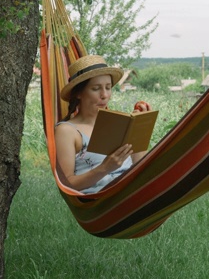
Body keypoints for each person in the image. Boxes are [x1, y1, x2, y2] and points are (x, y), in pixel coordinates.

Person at [55, 55, 152, 194]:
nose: (105, 95)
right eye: (96, 88)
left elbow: (140, 167)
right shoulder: (67, 131)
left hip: (133, 190)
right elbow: (67, 184)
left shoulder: (118, 123)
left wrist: (141, 127)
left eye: (108, 87)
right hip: (103, 201)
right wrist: (105, 168)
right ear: (79, 93)